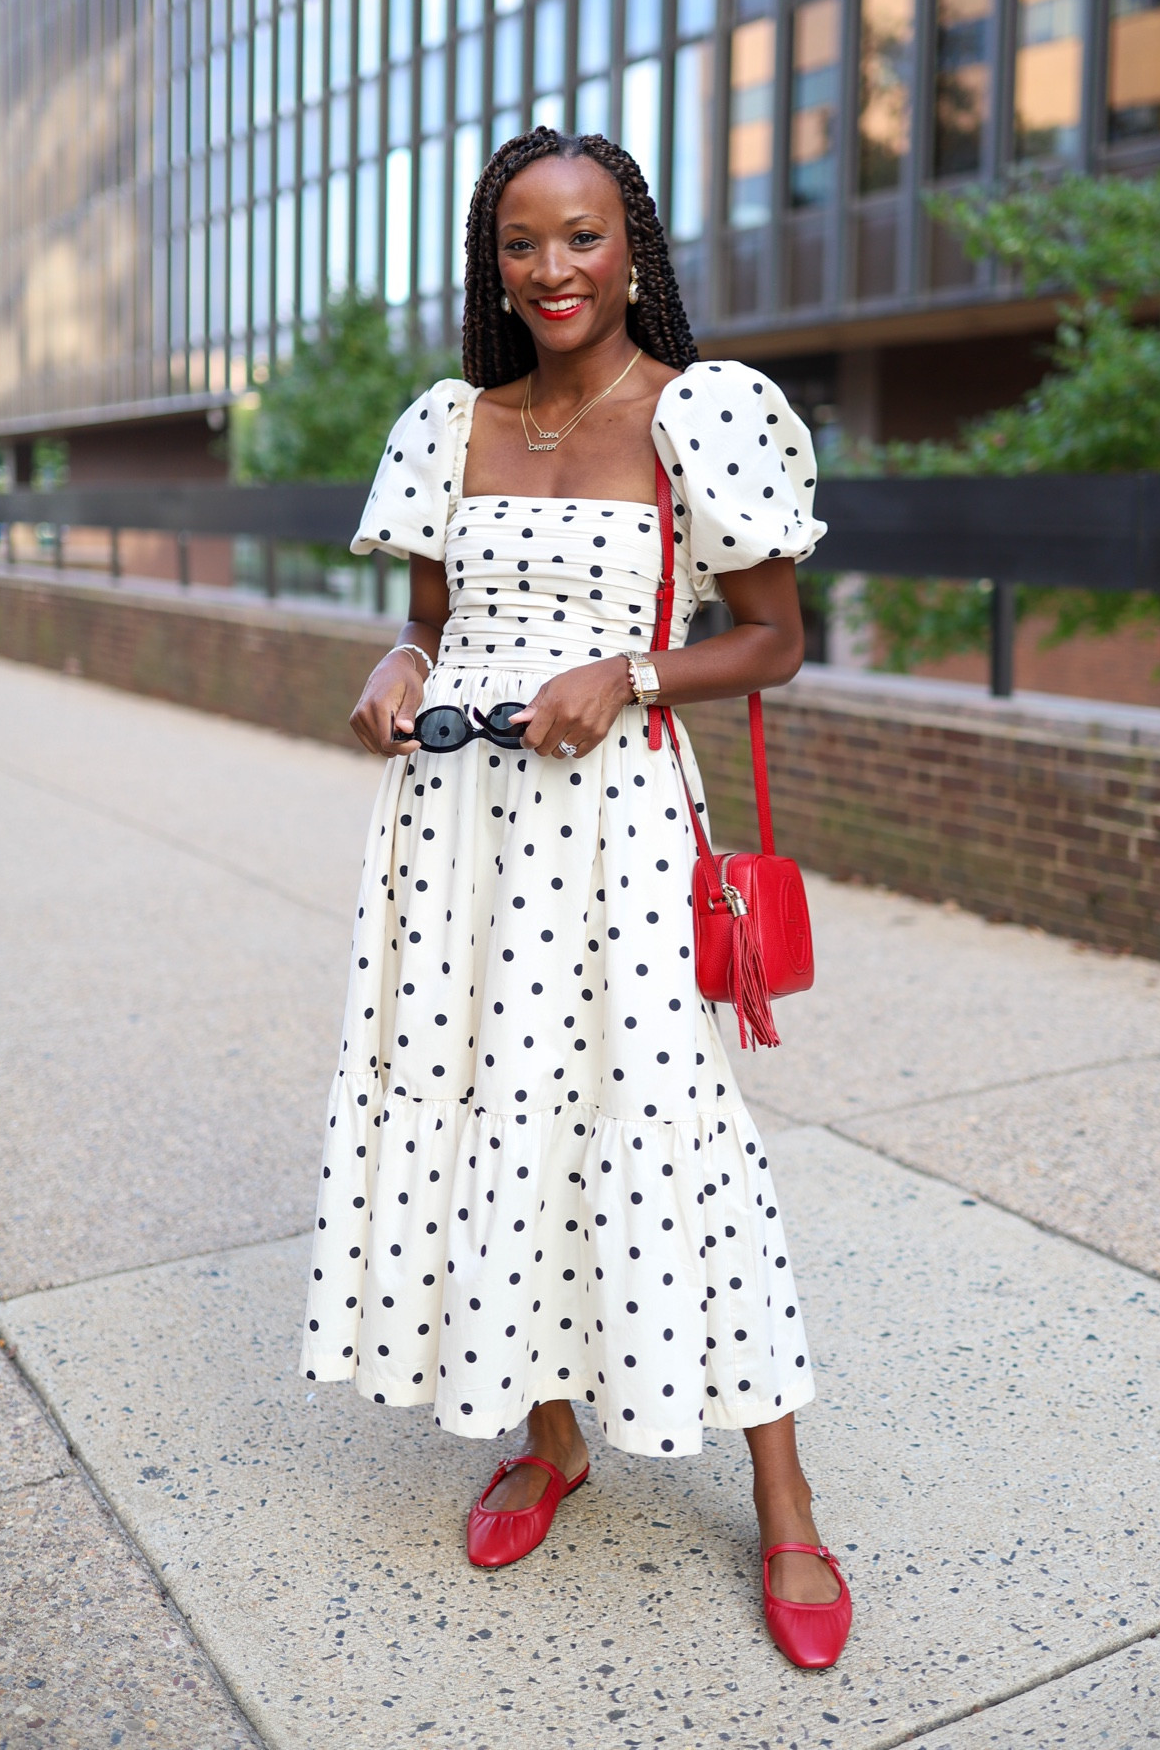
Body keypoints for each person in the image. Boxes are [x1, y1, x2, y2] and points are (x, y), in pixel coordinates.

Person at [300, 126, 852, 1670]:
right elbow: (426, 620)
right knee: (485, 1109)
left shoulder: (702, 415)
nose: (553, 269)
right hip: (452, 828)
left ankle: (787, 1502)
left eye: (584, 236)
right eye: (523, 242)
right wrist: (396, 667)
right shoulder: (447, 421)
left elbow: (775, 642)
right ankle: (547, 1435)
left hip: (610, 827)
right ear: (495, 261)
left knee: (670, 1126)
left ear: (633, 248)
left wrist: (633, 672)